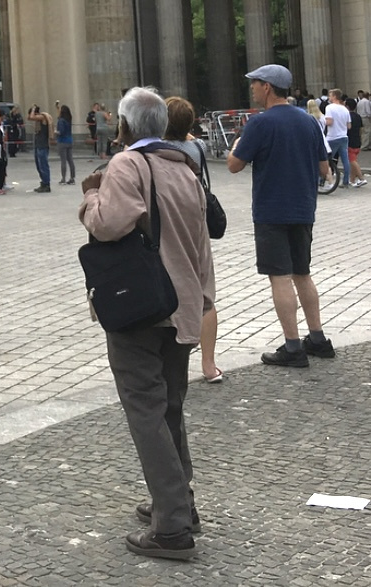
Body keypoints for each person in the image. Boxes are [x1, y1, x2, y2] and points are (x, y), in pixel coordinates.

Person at [79, 86, 214, 561]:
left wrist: (90, 195)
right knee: (169, 406)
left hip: (142, 308)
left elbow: (108, 224)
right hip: (183, 303)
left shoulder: (127, 164)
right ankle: (179, 503)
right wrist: (203, 300)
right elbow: (201, 244)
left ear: (124, 126)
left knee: (146, 412)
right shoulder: (185, 168)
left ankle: (172, 527)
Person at [227, 64, 335, 367]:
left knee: (280, 277)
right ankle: (318, 338)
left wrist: (236, 146)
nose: (252, 88)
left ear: (267, 87)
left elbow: (234, 165)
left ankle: (292, 347)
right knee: (302, 273)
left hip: (272, 211)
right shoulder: (308, 121)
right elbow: (324, 169)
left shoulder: (260, 123)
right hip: (303, 208)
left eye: (255, 83)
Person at [166, 96, 223, 383]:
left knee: (172, 289)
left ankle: (173, 362)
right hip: (197, 221)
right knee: (205, 295)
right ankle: (209, 365)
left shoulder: (157, 150)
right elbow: (192, 139)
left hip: (168, 224)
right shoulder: (197, 146)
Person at [323, 88, 351, 187]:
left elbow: (329, 122)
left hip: (333, 137)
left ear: (334, 96)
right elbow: (349, 126)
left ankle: (322, 179)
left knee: (325, 159)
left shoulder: (329, 107)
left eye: (330, 95)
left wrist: (322, 121)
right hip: (344, 136)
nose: (329, 97)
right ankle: (345, 181)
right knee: (345, 160)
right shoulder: (345, 109)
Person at [28, 105, 52, 192]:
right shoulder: (38, 120)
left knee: (43, 165)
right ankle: (43, 182)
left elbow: (31, 117)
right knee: (39, 166)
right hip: (38, 144)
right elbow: (29, 118)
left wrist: (33, 108)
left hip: (43, 145)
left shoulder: (43, 117)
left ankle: (46, 184)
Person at [344, 97, 366, 185]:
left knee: (352, 160)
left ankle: (361, 178)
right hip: (357, 140)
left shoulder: (347, 117)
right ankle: (352, 180)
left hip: (350, 140)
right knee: (354, 160)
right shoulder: (358, 116)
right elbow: (361, 129)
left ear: (347, 106)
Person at [55, 104, 76, 185]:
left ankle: (63, 178)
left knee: (63, 161)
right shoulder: (69, 119)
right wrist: (57, 108)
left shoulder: (61, 121)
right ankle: (72, 178)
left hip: (62, 141)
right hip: (69, 141)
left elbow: (61, 132)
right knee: (70, 160)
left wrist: (55, 132)